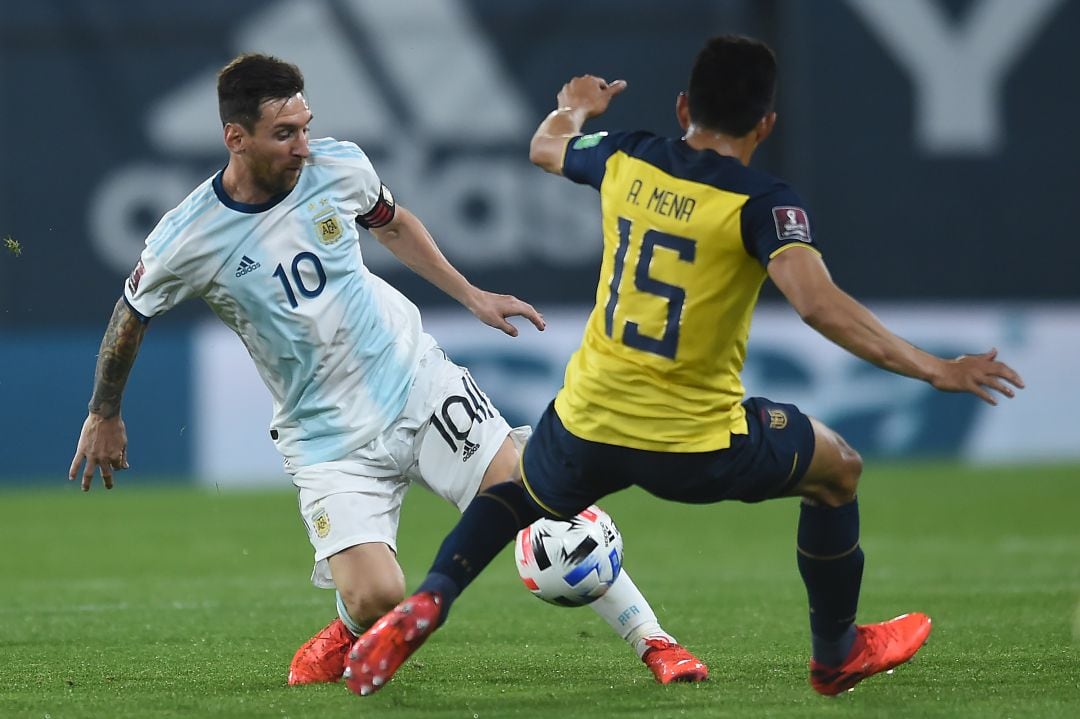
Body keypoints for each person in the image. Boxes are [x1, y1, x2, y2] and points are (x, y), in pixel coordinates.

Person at [343, 34, 1026, 698]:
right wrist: (935, 369)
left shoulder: (626, 157)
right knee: (838, 468)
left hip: (587, 419)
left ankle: (432, 596)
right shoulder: (766, 204)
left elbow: (546, 145)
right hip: (694, 445)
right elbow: (818, 305)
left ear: (680, 109)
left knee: (518, 490)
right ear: (766, 124)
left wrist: (575, 105)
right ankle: (837, 652)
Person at [66, 53, 707, 687]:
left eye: (305, 125)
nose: (302, 145)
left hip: (416, 382)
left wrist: (472, 295)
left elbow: (394, 225)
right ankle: (350, 625)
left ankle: (657, 644)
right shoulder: (187, 236)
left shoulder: (339, 165)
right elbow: (131, 315)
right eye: (283, 134)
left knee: (548, 511)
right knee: (380, 595)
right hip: (327, 437)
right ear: (236, 138)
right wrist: (104, 413)